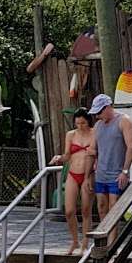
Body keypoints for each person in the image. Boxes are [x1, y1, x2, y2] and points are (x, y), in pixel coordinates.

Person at [88, 92, 132, 236]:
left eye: (99, 112)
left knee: (113, 208)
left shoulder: (124, 121)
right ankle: (104, 236)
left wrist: (125, 171)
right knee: (101, 207)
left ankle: (111, 245)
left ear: (108, 107)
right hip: (101, 173)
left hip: (117, 173)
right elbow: (93, 148)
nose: (97, 116)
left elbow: (131, 147)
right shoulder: (98, 125)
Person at [52, 108, 95, 255]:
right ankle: (74, 241)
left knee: (85, 210)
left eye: (83, 123)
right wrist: (59, 158)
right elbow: (67, 155)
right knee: (69, 211)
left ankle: (84, 243)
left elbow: (98, 153)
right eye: (77, 123)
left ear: (88, 121)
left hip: (88, 174)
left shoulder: (95, 133)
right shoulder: (70, 135)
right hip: (72, 173)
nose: (80, 126)